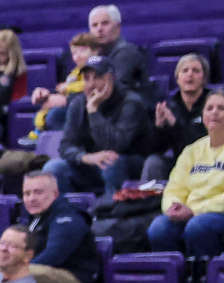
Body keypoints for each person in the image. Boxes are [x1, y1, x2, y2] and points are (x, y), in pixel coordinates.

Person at [147, 89, 224, 259]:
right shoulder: (192, 150)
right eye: (209, 108)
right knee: (159, 227)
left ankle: (204, 277)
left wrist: (193, 210)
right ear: (202, 115)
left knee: (198, 226)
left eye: (221, 108)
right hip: (193, 215)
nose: (214, 112)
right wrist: (173, 207)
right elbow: (174, 188)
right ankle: (175, 282)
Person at [44, 56, 149, 195]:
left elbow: (115, 146)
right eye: (87, 78)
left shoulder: (131, 103)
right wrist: (85, 157)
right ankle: (70, 214)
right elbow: (65, 146)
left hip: (129, 163)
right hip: (93, 163)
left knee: (110, 161)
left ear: (110, 78)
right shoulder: (78, 104)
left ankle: (112, 213)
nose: (91, 84)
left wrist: (93, 112)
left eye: (97, 78)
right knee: (53, 168)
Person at [147, 52, 213, 180]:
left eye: (195, 71)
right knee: (153, 163)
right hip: (179, 163)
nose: (189, 74)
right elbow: (155, 149)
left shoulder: (213, 105)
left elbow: (200, 145)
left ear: (204, 78)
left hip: (207, 164)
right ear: (177, 78)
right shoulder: (171, 106)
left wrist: (174, 123)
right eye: (185, 71)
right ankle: (149, 199)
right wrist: (159, 127)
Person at [28, 31, 104, 133]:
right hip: (70, 104)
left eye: (82, 51)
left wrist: (67, 88)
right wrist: (48, 94)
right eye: (74, 53)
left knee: (54, 115)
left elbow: (87, 85)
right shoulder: (74, 72)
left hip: (84, 107)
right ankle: (39, 132)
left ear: (95, 51)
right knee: (40, 114)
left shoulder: (97, 69)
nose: (77, 56)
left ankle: (66, 141)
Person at [87, 3, 151, 97]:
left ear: (118, 27)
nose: (99, 29)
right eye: (94, 25)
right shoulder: (94, 54)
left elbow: (112, 87)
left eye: (105, 23)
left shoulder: (126, 51)